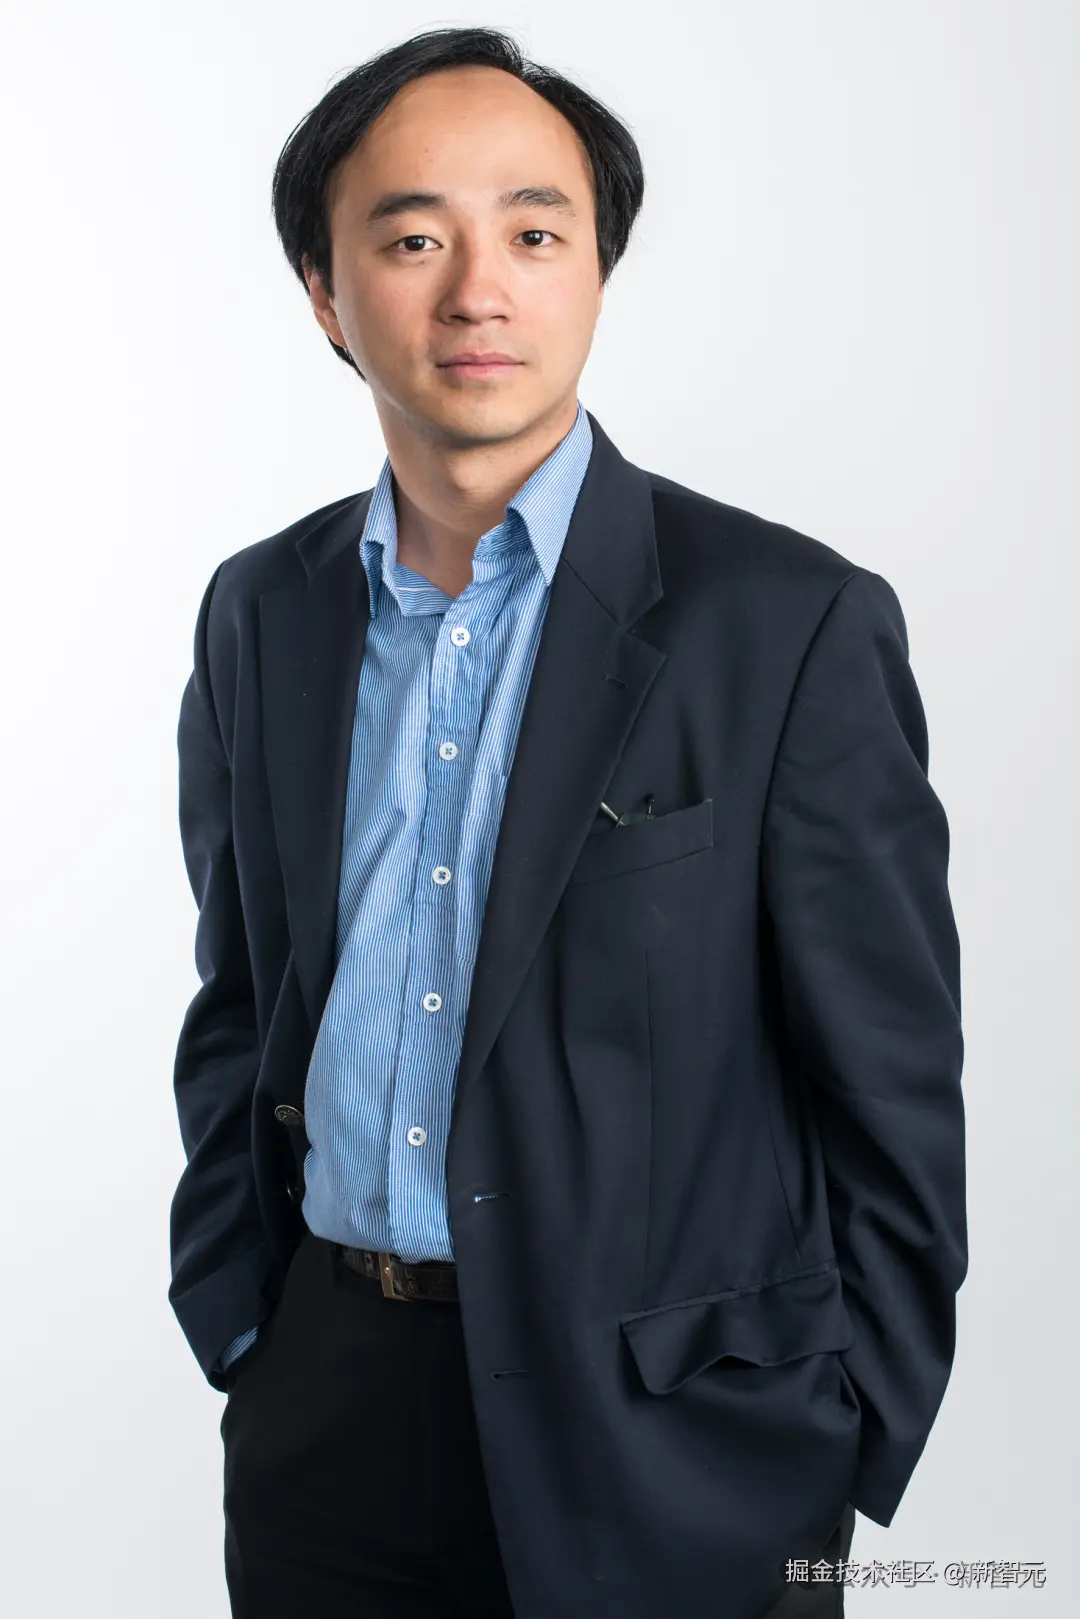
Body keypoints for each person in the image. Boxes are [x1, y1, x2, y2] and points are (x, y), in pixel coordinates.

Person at [169, 24, 967, 1619]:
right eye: (414, 239)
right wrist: (244, 1317)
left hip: (675, 1444)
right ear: (325, 292)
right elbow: (246, 995)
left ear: (598, 270)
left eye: (536, 235)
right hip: (330, 1417)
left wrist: (833, 1439)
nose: (480, 290)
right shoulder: (266, 610)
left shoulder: (782, 622)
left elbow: (891, 1084)